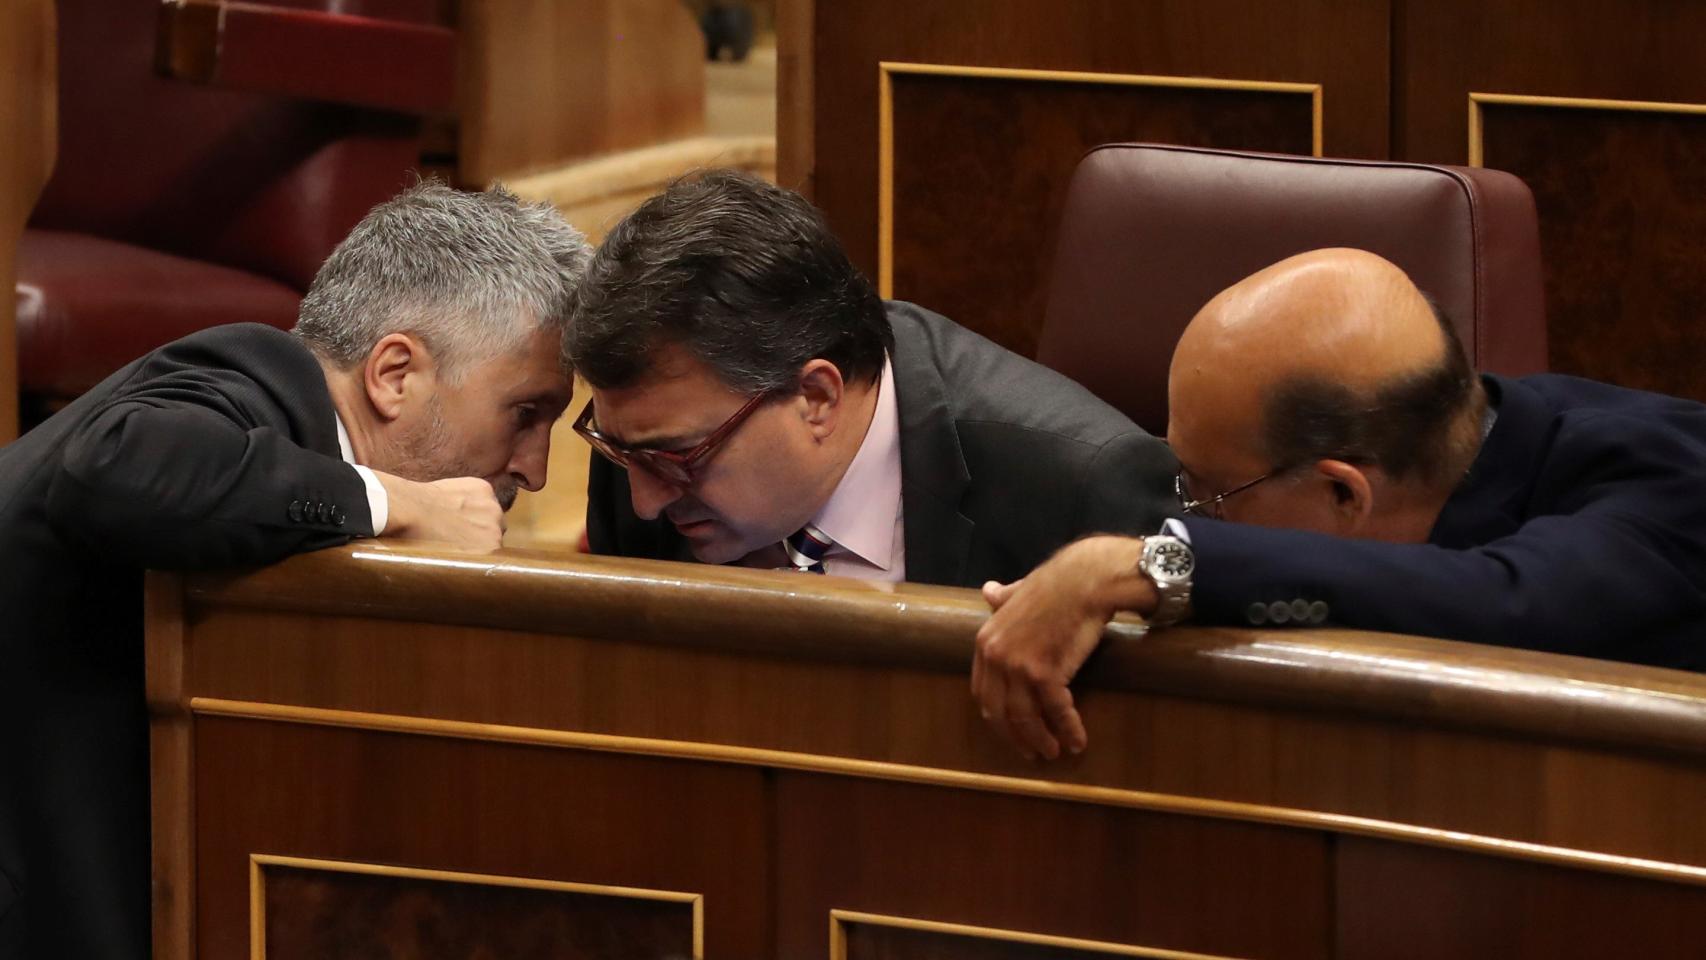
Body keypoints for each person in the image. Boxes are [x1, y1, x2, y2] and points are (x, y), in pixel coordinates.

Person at [0, 180, 588, 959]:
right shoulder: (254, 377)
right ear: (394, 374)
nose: (538, 468)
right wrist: (393, 502)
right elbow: (114, 470)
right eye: (525, 413)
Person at [973, 247, 1706, 761]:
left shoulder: (1669, 493)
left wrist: (1149, 565)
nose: (1197, 515)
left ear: (1342, 493)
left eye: (1211, 495)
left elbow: (1506, 601)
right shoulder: (1477, 433)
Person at [568, 169, 1175, 587]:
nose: (645, 502)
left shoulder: (1083, 486)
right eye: (623, 453)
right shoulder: (645, 437)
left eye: (677, 460)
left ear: (816, 398)